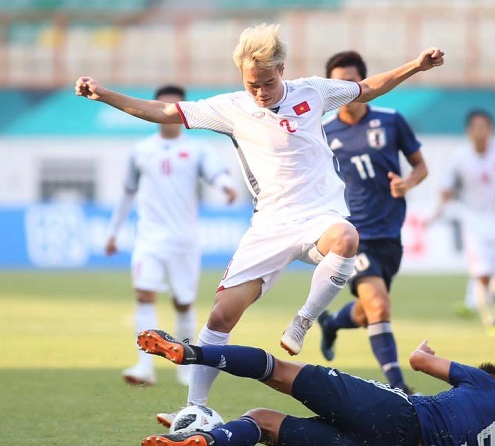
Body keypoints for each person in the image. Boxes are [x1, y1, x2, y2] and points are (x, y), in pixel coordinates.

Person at [75, 23, 445, 415]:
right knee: (221, 315)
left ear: (281, 70)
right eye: (252, 84)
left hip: (319, 216)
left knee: (347, 237)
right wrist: (104, 94)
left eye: (267, 83)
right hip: (269, 226)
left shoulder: (313, 91)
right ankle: (195, 408)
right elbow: (164, 111)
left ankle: (303, 321)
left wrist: (416, 66)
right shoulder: (231, 108)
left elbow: (367, 88)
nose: (261, 92)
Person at [136, 329, 495, 446]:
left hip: (397, 414)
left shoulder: (486, 384)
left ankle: (192, 353)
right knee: (261, 421)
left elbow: (418, 361)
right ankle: (207, 440)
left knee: (277, 371)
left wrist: (424, 351)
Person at [105, 85, 238, 386]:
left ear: (182, 112)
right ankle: (144, 366)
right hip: (149, 238)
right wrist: (113, 232)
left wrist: (227, 186)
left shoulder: (197, 149)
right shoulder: (141, 150)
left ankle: (184, 367)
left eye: (173, 108)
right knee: (144, 294)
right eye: (162, 107)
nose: (167, 114)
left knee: (183, 303)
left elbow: (217, 173)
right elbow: (127, 192)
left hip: (184, 240)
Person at [317, 51, 428, 395]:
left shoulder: (391, 121)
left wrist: (407, 183)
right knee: (379, 305)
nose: (346, 89)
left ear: (364, 83)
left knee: (368, 312)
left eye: (352, 81)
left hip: (390, 232)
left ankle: (332, 323)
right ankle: (398, 387)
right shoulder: (322, 132)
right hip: (352, 233)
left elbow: (420, 167)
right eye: (339, 83)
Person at [432, 110, 495, 332]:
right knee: (481, 274)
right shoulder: (459, 158)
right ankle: (489, 319)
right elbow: (447, 187)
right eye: (476, 128)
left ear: (491, 130)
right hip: (474, 220)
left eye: (484, 127)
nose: (480, 132)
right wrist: (443, 201)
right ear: (469, 131)